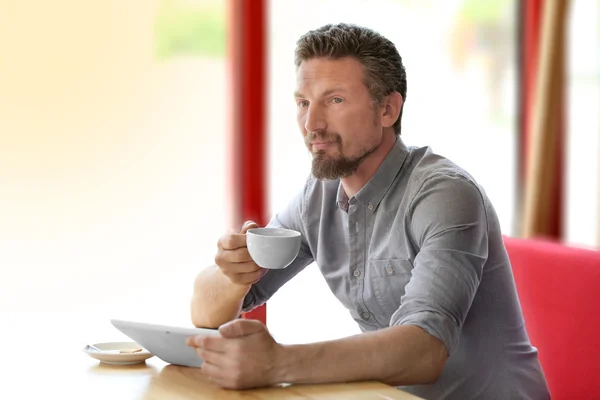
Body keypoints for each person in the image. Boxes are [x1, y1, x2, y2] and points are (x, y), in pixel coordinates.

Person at [187, 23, 550, 399]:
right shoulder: (319, 196)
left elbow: (425, 350)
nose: (312, 124)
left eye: (335, 100)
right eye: (303, 103)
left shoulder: (445, 195)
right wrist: (234, 274)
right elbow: (205, 313)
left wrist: (277, 363)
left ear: (388, 109)